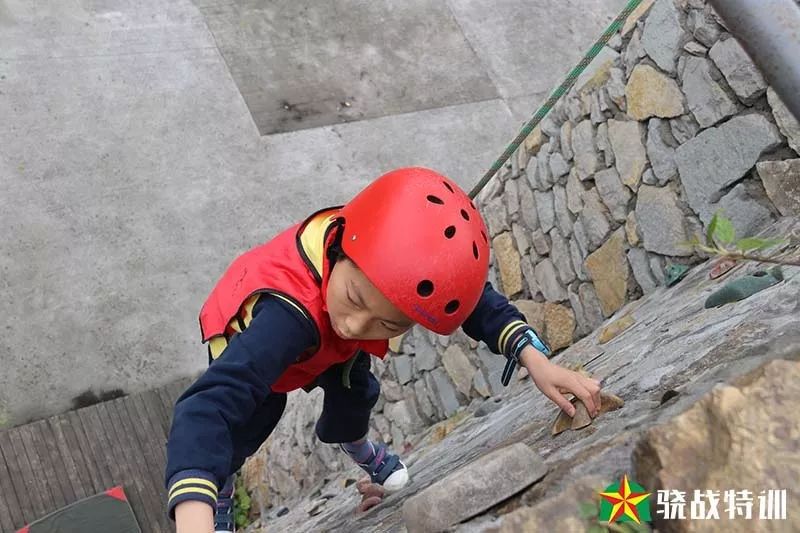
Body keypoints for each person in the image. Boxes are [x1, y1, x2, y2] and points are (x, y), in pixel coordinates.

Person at [165, 167, 601, 532]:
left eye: (388, 324)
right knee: (252, 416)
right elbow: (206, 410)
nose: (357, 325)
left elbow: (472, 301)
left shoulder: (372, 256)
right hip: (253, 331)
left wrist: (535, 360)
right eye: (356, 299)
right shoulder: (285, 319)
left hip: (323, 322)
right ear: (338, 250)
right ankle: (221, 489)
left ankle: (356, 446)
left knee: (355, 389)